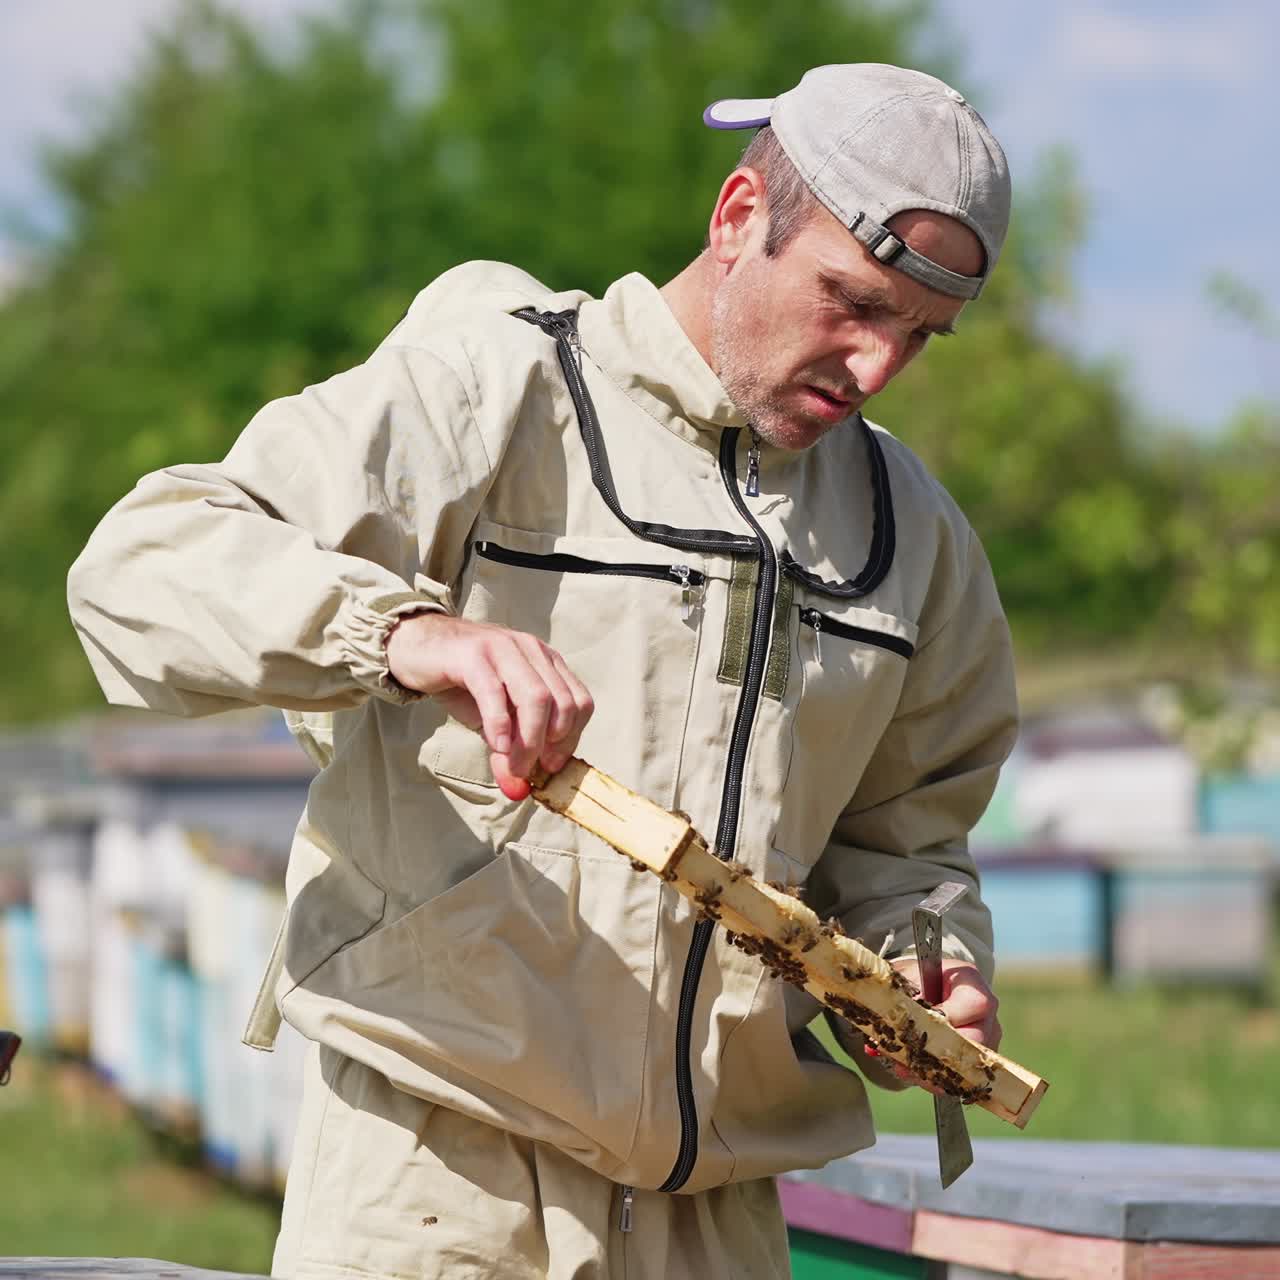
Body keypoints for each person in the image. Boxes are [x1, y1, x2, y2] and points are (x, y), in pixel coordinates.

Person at [68, 62, 1018, 1280]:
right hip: (437, 1180)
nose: (874, 365)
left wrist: (924, 968)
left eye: (916, 334)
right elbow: (143, 561)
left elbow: (908, 844)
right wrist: (403, 630)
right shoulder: (496, 390)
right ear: (737, 219)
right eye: (847, 300)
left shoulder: (915, 538)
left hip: (715, 1213)